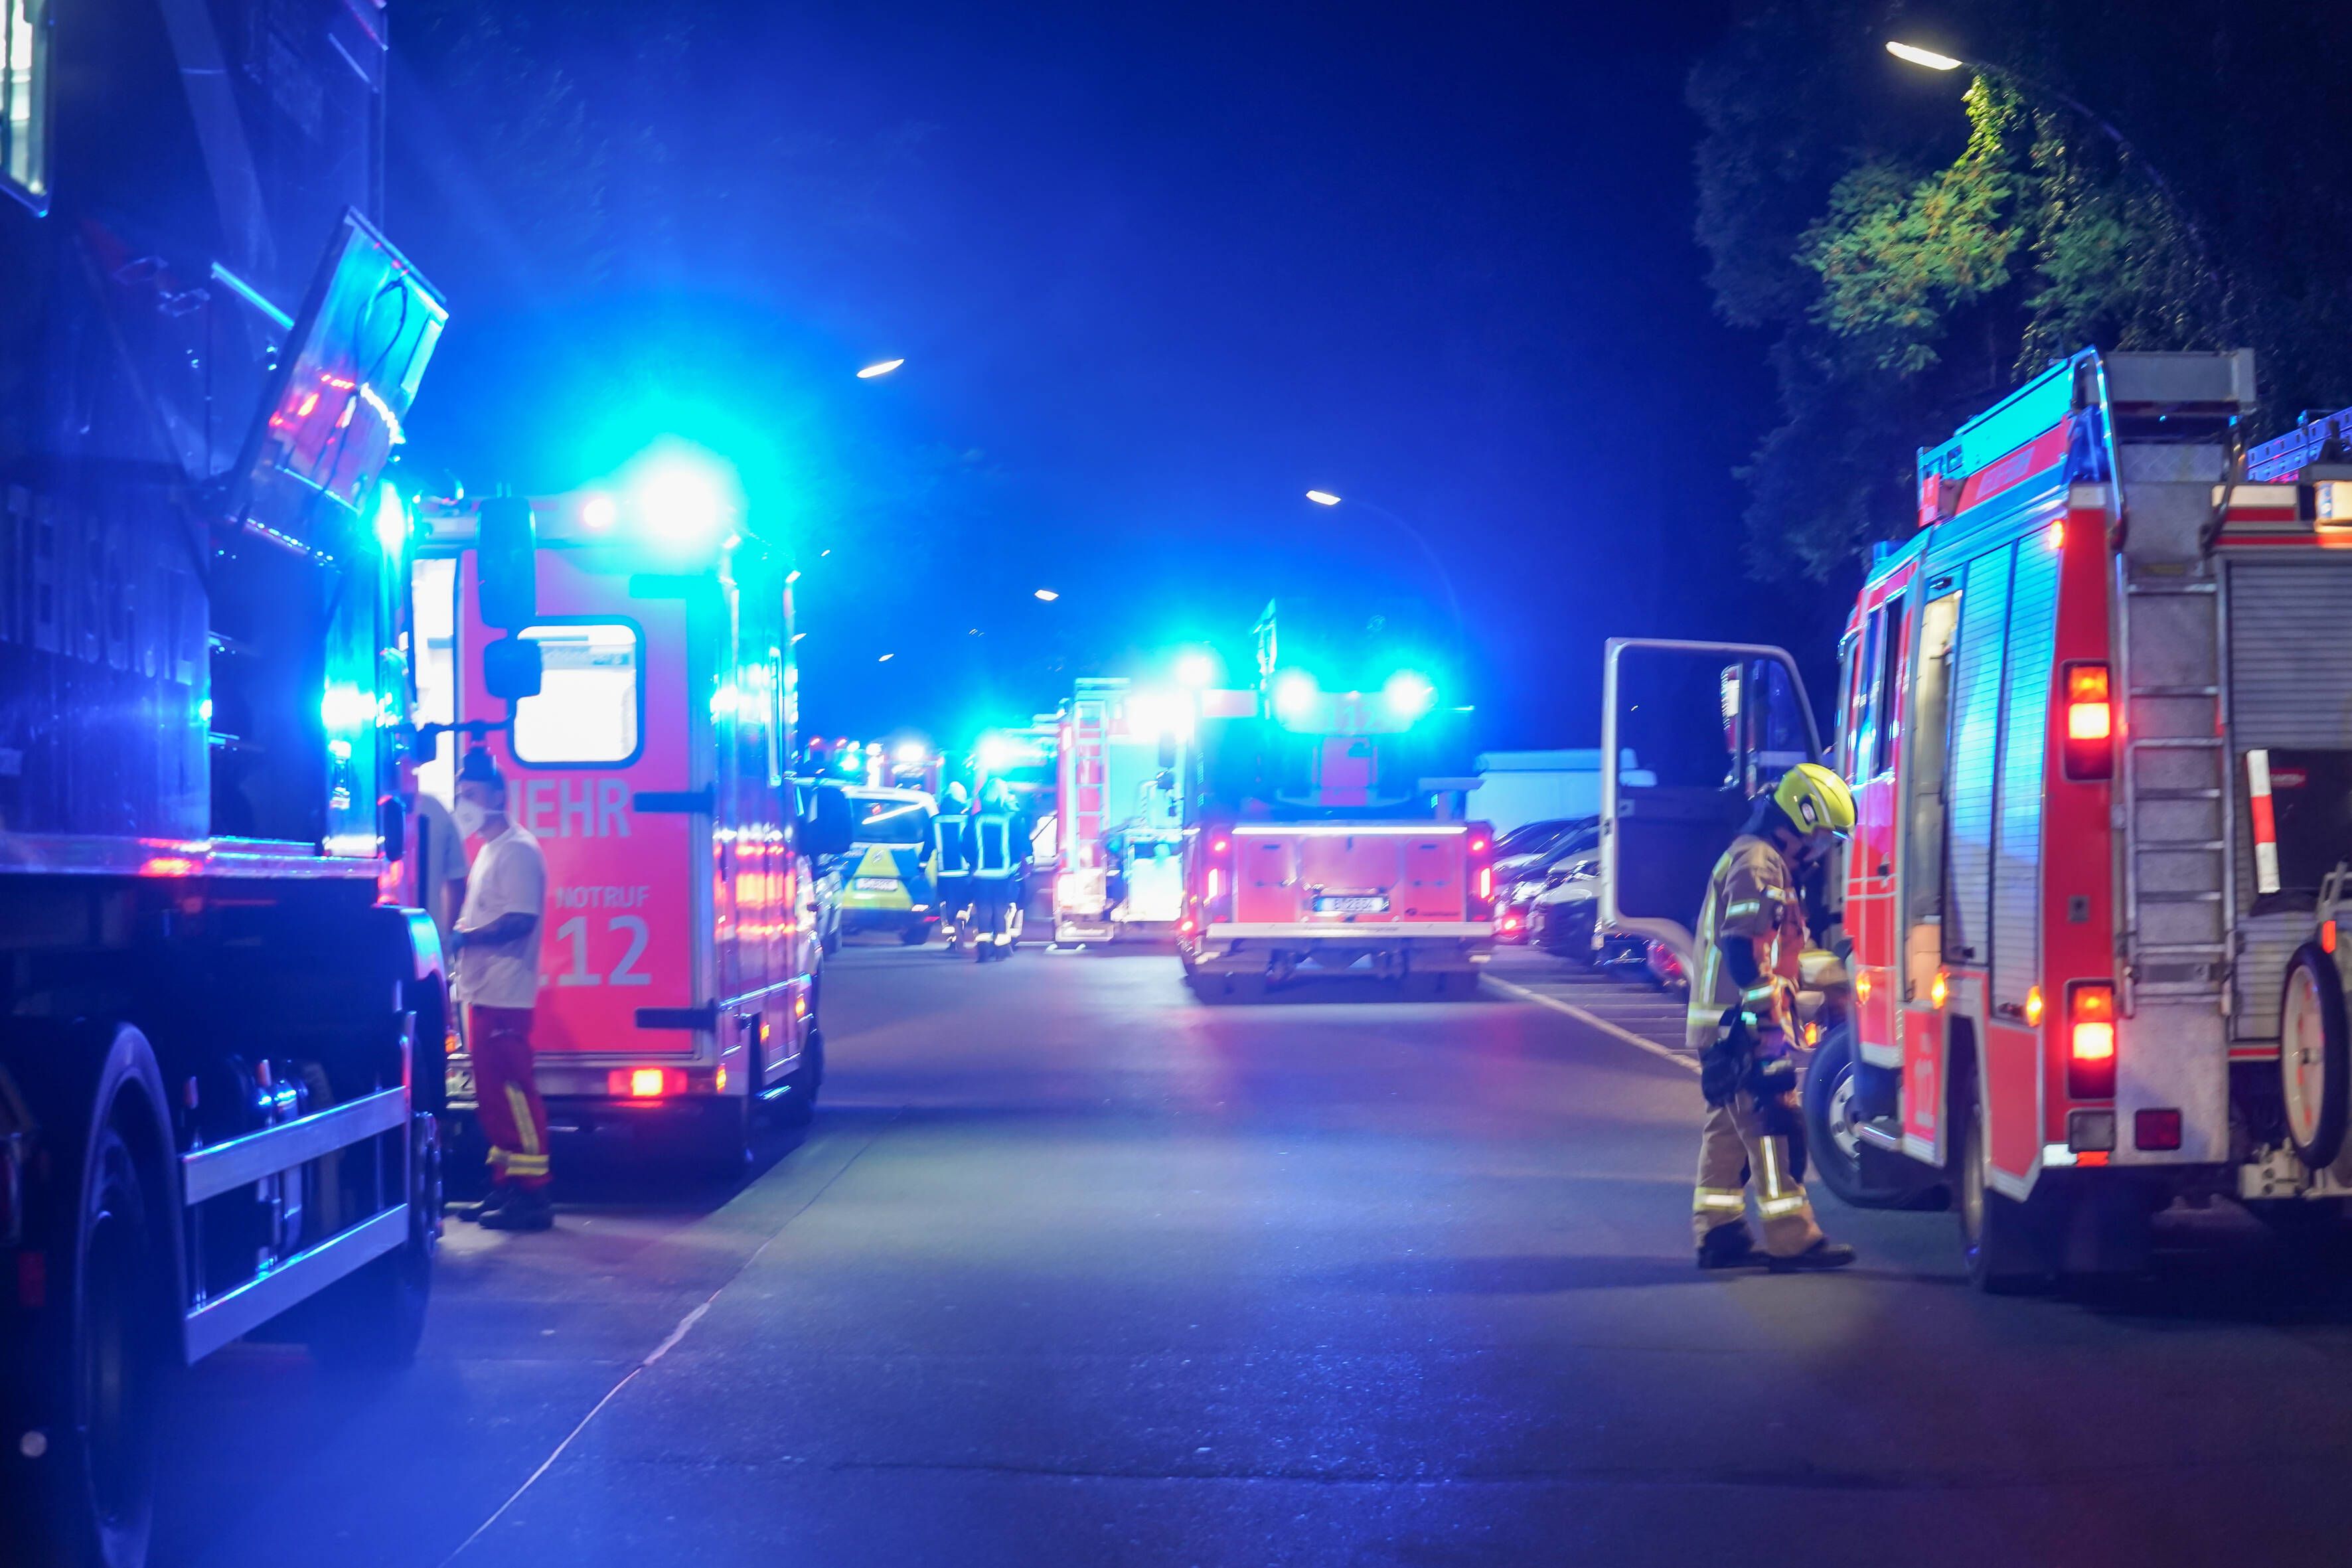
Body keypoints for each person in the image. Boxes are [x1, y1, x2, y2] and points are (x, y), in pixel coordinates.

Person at [1688, 762, 1858, 1273]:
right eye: (1821, 837)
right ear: (1797, 819)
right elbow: (1742, 951)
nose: (1821, 849)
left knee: (1726, 1129)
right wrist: (1765, 1025)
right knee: (1771, 1128)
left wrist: (1825, 984)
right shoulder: (1760, 866)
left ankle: (1718, 1234)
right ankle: (1792, 1240)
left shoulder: (1758, 860)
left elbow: (1774, 952)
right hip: (1742, 1026)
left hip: (1725, 1023)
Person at [448, 746, 554, 1231]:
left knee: (514, 1093)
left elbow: (520, 920)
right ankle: (505, 1185)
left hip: (505, 993)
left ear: (497, 795)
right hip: (482, 990)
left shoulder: (516, 849)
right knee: (492, 1099)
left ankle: (534, 1195)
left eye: (471, 793)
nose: (463, 802)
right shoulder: (489, 849)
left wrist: (464, 936)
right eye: (460, 794)